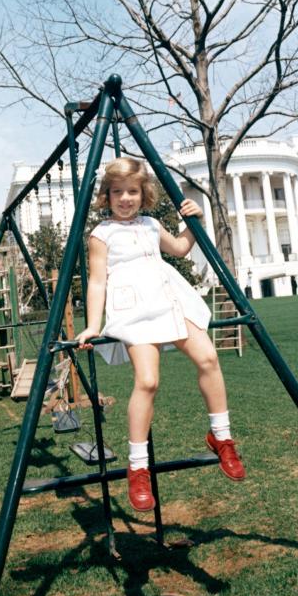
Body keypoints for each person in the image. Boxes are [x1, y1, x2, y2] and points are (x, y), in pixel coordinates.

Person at [75, 157, 245, 512]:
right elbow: (96, 280)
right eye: (118, 192)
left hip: (169, 297)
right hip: (135, 307)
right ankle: (138, 467)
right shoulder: (100, 234)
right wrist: (93, 324)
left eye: (132, 192)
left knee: (209, 357)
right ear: (106, 195)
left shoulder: (152, 225)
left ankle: (222, 436)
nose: (126, 199)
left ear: (143, 194)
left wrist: (194, 220)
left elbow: (181, 248)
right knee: (148, 381)